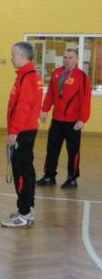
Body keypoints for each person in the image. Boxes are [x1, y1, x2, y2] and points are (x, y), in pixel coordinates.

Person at [1, 42, 43, 228]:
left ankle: (24, 214)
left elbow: (23, 107)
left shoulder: (28, 77)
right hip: (25, 131)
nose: (11, 58)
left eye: (13, 55)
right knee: (27, 171)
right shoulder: (28, 75)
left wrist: (14, 132)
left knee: (21, 172)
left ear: (23, 56)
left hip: (22, 132)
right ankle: (27, 209)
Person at [36, 48, 91, 189]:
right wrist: (44, 110)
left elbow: (86, 100)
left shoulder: (82, 77)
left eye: (70, 57)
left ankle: (72, 179)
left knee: (73, 152)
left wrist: (82, 119)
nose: (67, 60)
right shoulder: (56, 73)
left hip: (73, 122)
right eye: (65, 57)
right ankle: (49, 176)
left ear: (77, 59)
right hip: (57, 120)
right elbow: (51, 93)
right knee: (52, 150)